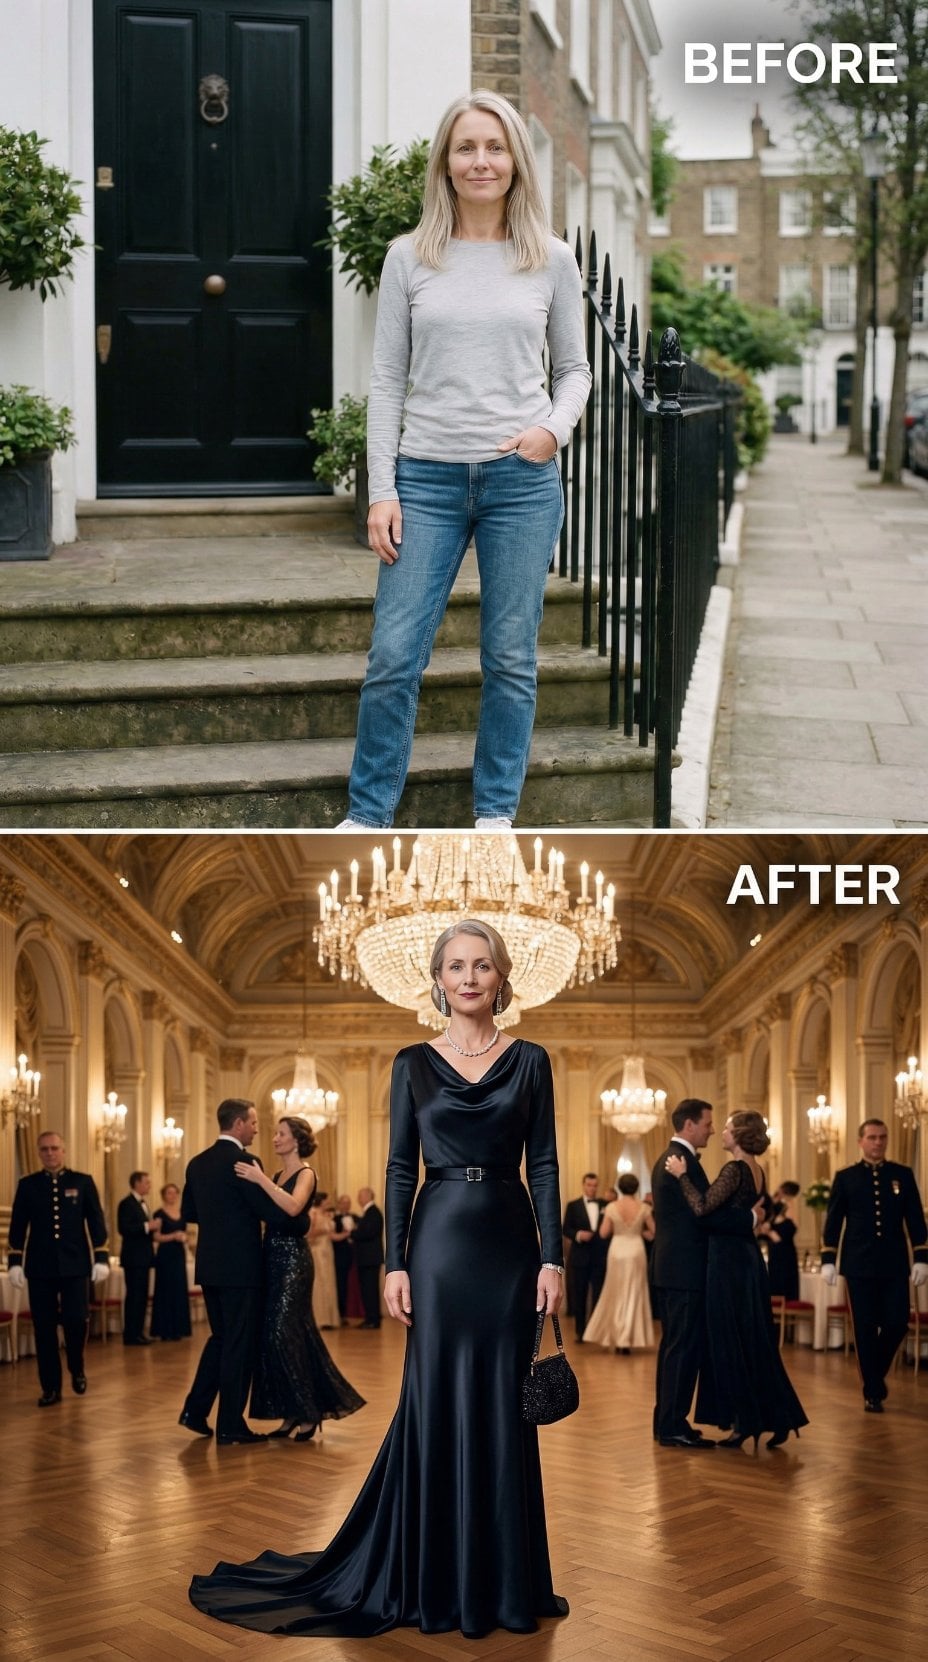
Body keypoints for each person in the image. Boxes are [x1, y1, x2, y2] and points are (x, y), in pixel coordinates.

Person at [189, 919, 568, 1639]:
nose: (467, 977)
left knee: (502, 1399)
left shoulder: (532, 1061)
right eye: (454, 965)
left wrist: (552, 1257)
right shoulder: (410, 1063)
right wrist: (395, 1261)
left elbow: (544, 1162)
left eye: (481, 965)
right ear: (436, 978)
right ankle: (430, 1571)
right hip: (439, 1241)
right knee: (436, 1395)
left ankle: (504, 1577)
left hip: (511, 1245)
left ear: (501, 976)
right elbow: (399, 1168)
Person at [336, 89, 591, 833]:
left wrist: (552, 431)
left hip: (521, 483)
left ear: (516, 161)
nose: (481, 161)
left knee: (510, 659)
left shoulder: (552, 259)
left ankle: (495, 813)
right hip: (426, 480)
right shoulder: (409, 257)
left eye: (495, 147)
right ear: (445, 164)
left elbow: (575, 369)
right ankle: (369, 812)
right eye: (466, 148)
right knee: (392, 657)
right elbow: (386, 379)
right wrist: (383, 489)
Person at [664, 1110, 808, 1450]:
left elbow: (702, 1209)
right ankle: (773, 1418)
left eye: (727, 1128)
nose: (721, 1133)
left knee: (729, 1342)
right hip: (748, 1263)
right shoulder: (758, 1170)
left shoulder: (734, 1169)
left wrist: (682, 1175)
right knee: (755, 1342)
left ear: (740, 1135)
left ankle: (745, 1423)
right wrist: (750, 1219)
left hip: (727, 1266)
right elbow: (758, 1213)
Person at [179, 1098, 309, 1444]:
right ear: (238, 1124)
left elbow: (189, 1213)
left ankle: (194, 1410)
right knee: (238, 1344)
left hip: (209, 1266)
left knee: (220, 1338)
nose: (256, 1128)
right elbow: (272, 1212)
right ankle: (230, 1425)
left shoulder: (196, 1163)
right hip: (242, 1269)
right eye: (252, 1123)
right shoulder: (244, 1162)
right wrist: (300, 1217)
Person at [233, 1117, 365, 1441]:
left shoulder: (306, 1173)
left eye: (281, 1134)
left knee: (282, 1331)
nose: (275, 1138)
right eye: (276, 1133)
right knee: (280, 1335)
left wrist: (260, 1179)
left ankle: (308, 1412)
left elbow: (293, 1207)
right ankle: (291, 1411)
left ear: (296, 1141)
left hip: (294, 1260)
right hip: (271, 1258)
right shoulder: (278, 1175)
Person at [650, 1100, 764, 1449]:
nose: (713, 1130)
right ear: (689, 1125)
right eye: (707, 1124)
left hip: (676, 1269)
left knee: (676, 1348)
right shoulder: (678, 1163)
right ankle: (672, 1426)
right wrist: (752, 1219)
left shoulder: (677, 1160)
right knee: (682, 1349)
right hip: (685, 1271)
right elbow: (705, 1215)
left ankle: (670, 1422)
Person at [821, 1118, 928, 1413]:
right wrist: (828, 1259)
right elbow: (833, 1221)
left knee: (897, 1324)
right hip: (858, 1266)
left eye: (882, 1137)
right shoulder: (846, 1177)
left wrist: (921, 1257)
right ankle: (873, 1391)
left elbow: (915, 1219)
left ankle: (874, 1375)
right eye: (872, 1137)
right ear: (861, 1141)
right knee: (865, 1329)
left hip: (894, 1265)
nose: (878, 1142)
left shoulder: (902, 1175)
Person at [7, 1130, 110, 1406]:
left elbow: (96, 1221)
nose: (50, 1153)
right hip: (39, 1268)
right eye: (44, 1149)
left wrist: (101, 1256)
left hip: (75, 1266)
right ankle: (50, 1387)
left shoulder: (82, 1182)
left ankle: (76, 1366)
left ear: (63, 1151)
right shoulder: (27, 1185)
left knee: (76, 1320)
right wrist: (15, 1261)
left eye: (54, 1148)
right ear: (39, 1153)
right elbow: (17, 1226)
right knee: (44, 1328)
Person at [582, 1173, 655, 1353]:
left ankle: (617, 1336)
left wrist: (619, 1228)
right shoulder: (644, 1207)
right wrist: (639, 1232)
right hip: (636, 1250)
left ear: (620, 1188)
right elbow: (654, 1232)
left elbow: (604, 1233)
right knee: (634, 1293)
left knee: (615, 1291)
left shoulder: (612, 1206)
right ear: (636, 1188)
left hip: (617, 1250)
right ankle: (628, 1339)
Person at [562, 1173, 606, 1341]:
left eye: (595, 1185)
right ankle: (580, 1332)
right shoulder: (573, 1206)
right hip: (580, 1257)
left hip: (599, 1258)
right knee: (579, 1295)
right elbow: (566, 1228)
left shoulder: (605, 1204)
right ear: (583, 1185)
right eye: (589, 1185)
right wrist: (579, 1235)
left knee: (599, 1295)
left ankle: (596, 1331)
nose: (592, 1188)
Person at [117, 1170, 157, 1345]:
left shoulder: (143, 1203)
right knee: (134, 1296)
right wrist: (148, 1226)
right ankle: (131, 1335)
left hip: (144, 1258)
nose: (149, 1185)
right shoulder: (126, 1203)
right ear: (137, 1183)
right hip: (133, 1258)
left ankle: (139, 1332)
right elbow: (124, 1228)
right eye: (147, 1182)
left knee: (141, 1296)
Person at [151, 1182, 192, 1341]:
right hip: (165, 1255)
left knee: (179, 1289)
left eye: (175, 1193)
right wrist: (173, 1236)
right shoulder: (159, 1213)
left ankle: (179, 1329)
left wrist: (185, 1237)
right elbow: (155, 1237)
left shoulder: (183, 1213)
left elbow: (185, 1233)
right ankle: (165, 1330)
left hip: (178, 1254)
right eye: (169, 1193)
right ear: (163, 1195)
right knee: (165, 1290)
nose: (172, 1196)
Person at [759, 1181, 801, 1300]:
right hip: (774, 1254)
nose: (776, 1196)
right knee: (774, 1285)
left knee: (785, 1287)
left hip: (785, 1255)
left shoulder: (789, 1209)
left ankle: (785, 1314)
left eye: (779, 1193)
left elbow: (780, 1238)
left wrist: (767, 1231)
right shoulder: (774, 1210)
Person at [352, 1186, 385, 1329]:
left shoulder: (373, 1213)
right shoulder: (369, 1213)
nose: (358, 1198)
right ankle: (370, 1318)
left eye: (360, 1195)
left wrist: (353, 1233)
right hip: (368, 1259)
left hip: (370, 1259)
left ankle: (373, 1320)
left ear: (368, 1196)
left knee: (370, 1290)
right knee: (367, 1290)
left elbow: (368, 1233)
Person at [308, 1194, 341, 1330]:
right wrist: (323, 1229)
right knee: (319, 1284)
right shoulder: (313, 1212)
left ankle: (329, 1319)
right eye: (326, 1200)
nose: (328, 1202)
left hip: (328, 1250)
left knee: (329, 1283)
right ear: (320, 1201)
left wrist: (346, 1233)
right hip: (317, 1250)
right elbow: (309, 1234)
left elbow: (332, 1236)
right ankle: (319, 1319)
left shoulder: (327, 1214)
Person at [331, 1194, 356, 1323]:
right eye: (343, 1202)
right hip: (339, 1257)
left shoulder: (356, 1218)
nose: (346, 1205)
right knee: (340, 1285)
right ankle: (340, 1315)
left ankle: (347, 1313)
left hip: (355, 1257)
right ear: (339, 1204)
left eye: (348, 1202)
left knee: (348, 1286)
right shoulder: (334, 1219)